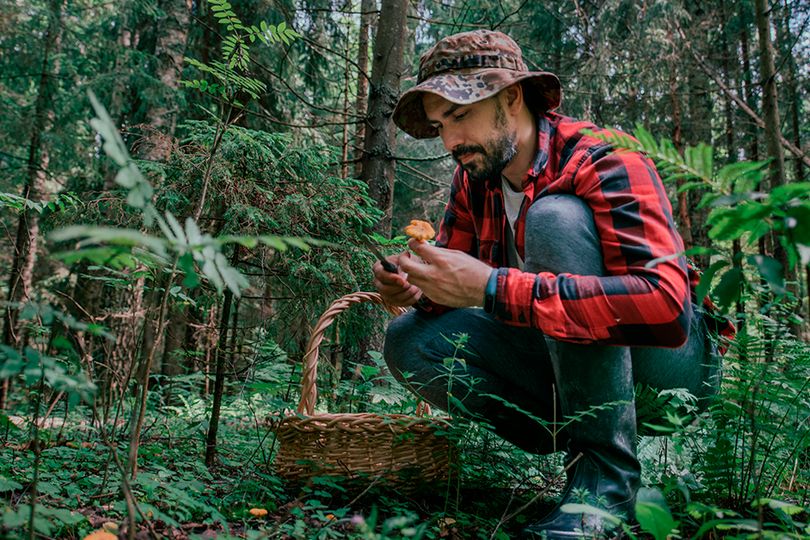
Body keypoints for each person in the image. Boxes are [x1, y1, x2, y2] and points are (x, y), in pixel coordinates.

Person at [372, 30, 730, 538]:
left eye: (459, 115)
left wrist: (493, 288)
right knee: (410, 339)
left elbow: (667, 311)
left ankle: (604, 484)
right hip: (563, 369)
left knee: (553, 218)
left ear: (511, 96)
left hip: (672, 366)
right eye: (438, 125)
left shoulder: (603, 158)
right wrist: (414, 287)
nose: (450, 142)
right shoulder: (475, 178)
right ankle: (580, 443)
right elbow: (457, 292)